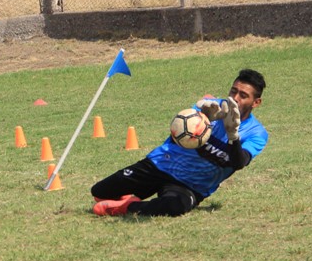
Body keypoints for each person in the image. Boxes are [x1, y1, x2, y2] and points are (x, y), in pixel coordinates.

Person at [91, 69, 268, 217]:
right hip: (161, 164)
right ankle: (127, 198)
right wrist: (203, 117)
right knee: (100, 192)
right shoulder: (211, 106)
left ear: (256, 102)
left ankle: (128, 207)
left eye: (243, 95)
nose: (235, 98)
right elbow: (176, 132)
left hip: (191, 185)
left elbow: (238, 163)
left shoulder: (256, 133)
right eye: (233, 91)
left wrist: (233, 136)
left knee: (174, 207)